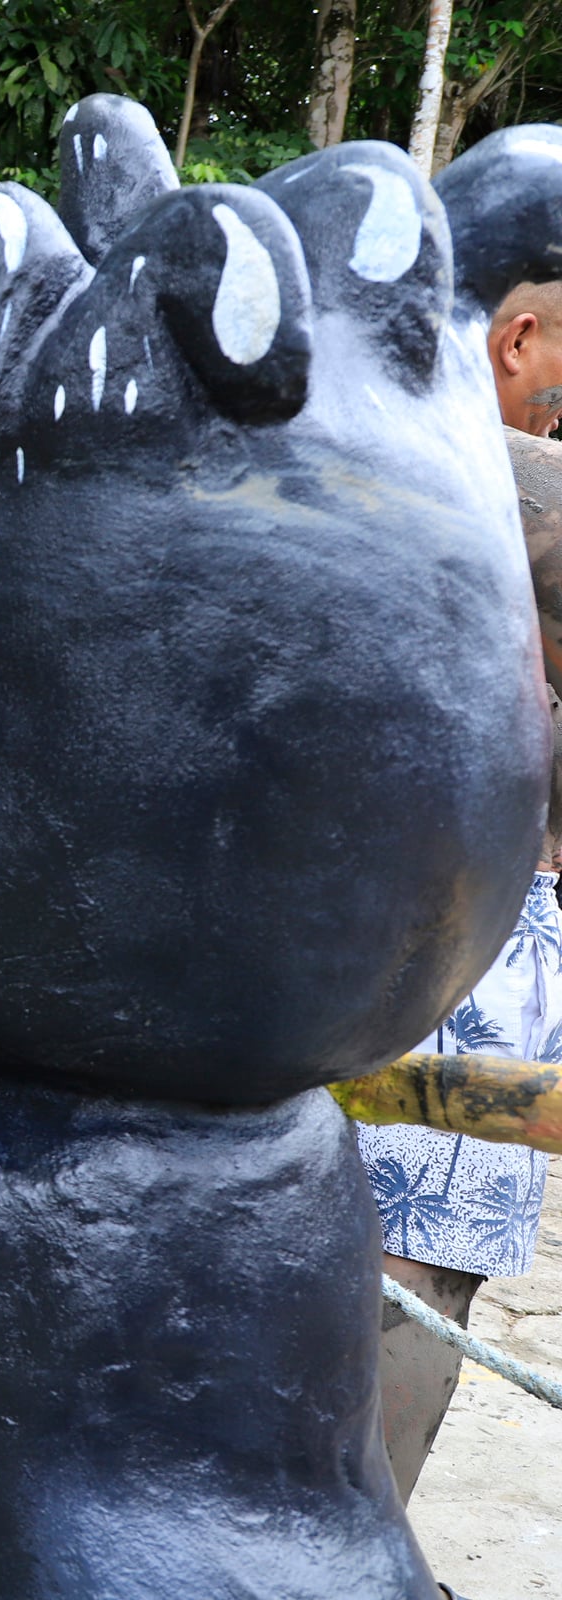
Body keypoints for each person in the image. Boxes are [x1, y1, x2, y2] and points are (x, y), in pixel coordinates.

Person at [361, 274, 562, 1500]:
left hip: (379, 935)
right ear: (519, 338)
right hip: (460, 947)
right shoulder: (487, 481)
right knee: (409, 1276)